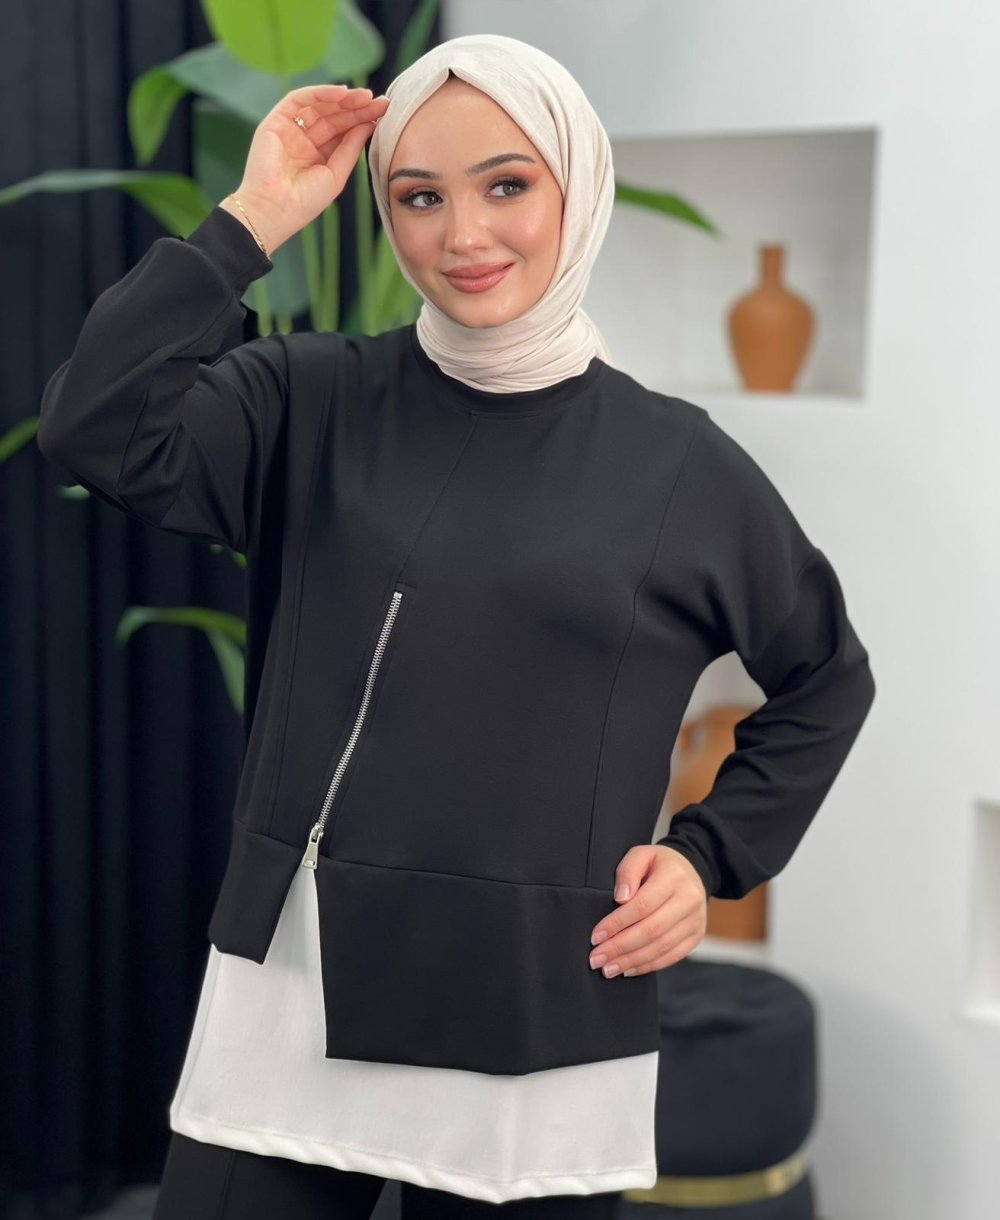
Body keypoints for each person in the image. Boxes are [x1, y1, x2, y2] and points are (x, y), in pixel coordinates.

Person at [36, 32, 876, 1220]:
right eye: (419, 196)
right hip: (299, 983)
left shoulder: (679, 466)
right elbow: (96, 427)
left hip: (537, 1006)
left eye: (506, 184)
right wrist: (252, 219)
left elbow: (826, 675)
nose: (462, 234)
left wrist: (707, 856)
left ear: (576, 185)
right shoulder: (309, 398)